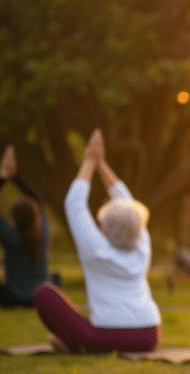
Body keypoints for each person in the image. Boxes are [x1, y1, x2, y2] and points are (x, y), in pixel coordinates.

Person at [33, 129, 161, 353]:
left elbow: (74, 203)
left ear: (105, 230)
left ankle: (69, 343)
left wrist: (90, 161)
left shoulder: (96, 250)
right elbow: (128, 205)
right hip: (148, 335)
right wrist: (102, 164)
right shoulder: (143, 247)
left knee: (44, 294)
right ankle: (71, 342)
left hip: (104, 337)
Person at [0, 145, 52, 308]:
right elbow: (37, 200)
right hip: (40, 299)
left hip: (11, 299)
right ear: (34, 217)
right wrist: (16, 177)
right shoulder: (42, 233)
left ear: (14, 219)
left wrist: (3, 177)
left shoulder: (10, 237)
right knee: (54, 278)